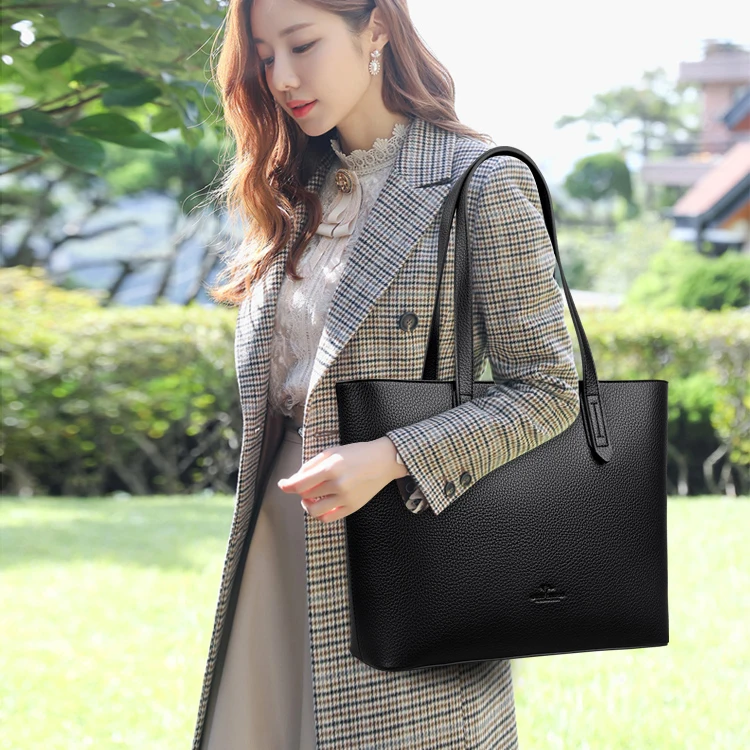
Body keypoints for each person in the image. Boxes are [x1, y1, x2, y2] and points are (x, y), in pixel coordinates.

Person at [192, 1, 581, 748]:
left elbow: (548, 387)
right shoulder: (294, 189)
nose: (282, 77)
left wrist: (391, 457)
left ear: (375, 28)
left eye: (302, 44)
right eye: (265, 57)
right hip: (279, 542)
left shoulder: (481, 182)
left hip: (410, 556)